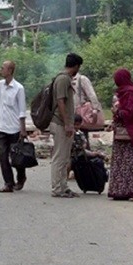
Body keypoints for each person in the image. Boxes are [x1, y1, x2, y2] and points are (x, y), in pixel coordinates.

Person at [0, 60, 28, 192]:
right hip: (0, 127)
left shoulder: (19, 88)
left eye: (3, 68)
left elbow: (22, 110)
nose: (0, 70)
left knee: (16, 157)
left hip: (14, 128)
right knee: (3, 155)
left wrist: (23, 129)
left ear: (10, 71)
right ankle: (8, 183)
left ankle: (21, 177)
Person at [108, 68, 133, 202]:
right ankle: (122, 190)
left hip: (131, 133)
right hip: (122, 134)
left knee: (132, 163)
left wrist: (117, 112)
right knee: (122, 162)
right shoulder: (123, 92)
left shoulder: (130, 93)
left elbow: (129, 113)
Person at [49, 53, 82, 198]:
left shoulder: (65, 79)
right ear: (75, 66)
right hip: (60, 123)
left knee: (64, 157)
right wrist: (67, 123)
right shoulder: (62, 79)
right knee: (59, 157)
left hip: (64, 124)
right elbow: (61, 102)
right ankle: (57, 188)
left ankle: (63, 186)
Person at [68, 114, 107, 180]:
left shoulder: (81, 133)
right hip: (74, 152)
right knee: (70, 163)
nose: (76, 127)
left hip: (81, 151)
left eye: (78, 125)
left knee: (93, 153)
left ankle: (102, 155)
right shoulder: (70, 133)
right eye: (75, 125)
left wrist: (83, 145)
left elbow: (84, 142)